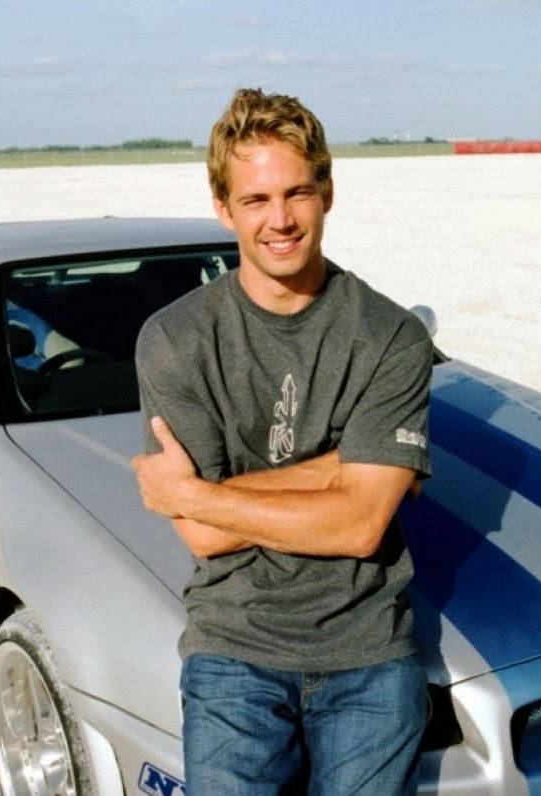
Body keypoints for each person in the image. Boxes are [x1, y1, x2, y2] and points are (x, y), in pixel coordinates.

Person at [131, 87, 434, 795]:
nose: (281, 219)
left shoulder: (389, 336)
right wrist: (343, 468)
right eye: (257, 200)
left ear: (327, 192)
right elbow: (202, 538)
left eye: (297, 193)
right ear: (223, 207)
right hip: (235, 647)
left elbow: (360, 527)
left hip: (368, 651)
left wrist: (197, 493)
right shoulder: (175, 340)